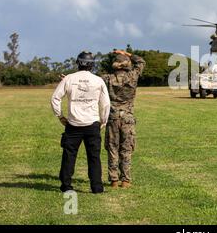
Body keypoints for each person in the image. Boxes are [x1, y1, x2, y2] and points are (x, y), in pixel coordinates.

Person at [51, 51, 110, 193]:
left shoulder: (69, 79)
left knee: (69, 155)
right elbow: (106, 104)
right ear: (92, 65)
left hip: (73, 124)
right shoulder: (98, 80)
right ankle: (96, 187)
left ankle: (66, 186)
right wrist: (103, 121)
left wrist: (60, 116)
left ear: (77, 63)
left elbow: (55, 98)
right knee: (94, 157)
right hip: (92, 124)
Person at [101, 50, 146, 188]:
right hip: (127, 117)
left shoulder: (107, 78)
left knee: (112, 148)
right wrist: (127, 53)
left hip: (112, 118)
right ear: (127, 65)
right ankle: (125, 180)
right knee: (126, 149)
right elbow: (141, 62)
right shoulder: (132, 76)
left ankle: (114, 180)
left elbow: (90, 81)